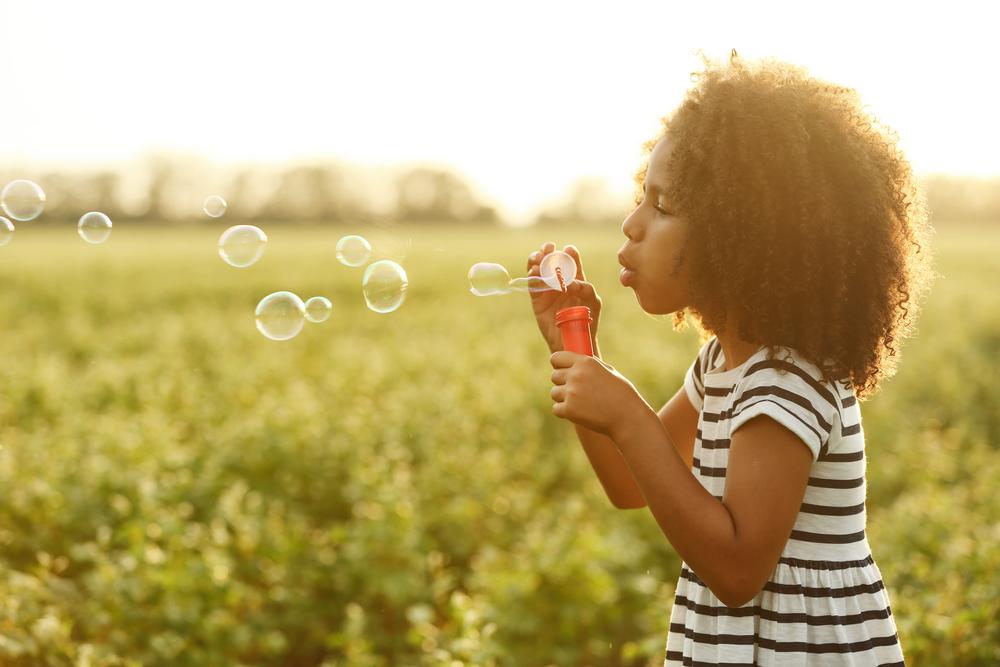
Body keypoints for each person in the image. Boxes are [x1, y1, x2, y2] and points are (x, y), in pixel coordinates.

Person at [526, 49, 933, 666]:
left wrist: (631, 414)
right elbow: (629, 484)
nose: (632, 224)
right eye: (643, 197)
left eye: (664, 207)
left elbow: (739, 569)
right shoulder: (723, 364)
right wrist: (575, 347)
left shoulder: (786, 381)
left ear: (744, 236)